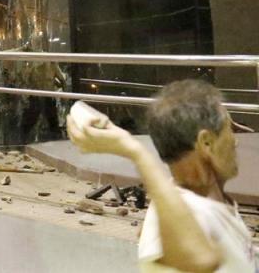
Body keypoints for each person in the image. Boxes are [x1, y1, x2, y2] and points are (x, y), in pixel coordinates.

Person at [67, 79, 258, 272]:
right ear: (206, 142)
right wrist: (134, 152)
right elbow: (201, 259)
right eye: (230, 129)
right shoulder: (175, 220)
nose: (236, 141)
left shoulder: (208, 203)